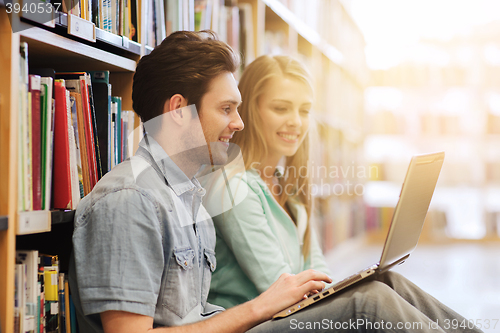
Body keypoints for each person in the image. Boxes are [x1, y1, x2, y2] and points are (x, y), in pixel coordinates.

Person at [69, 31, 481, 333]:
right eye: (227, 108)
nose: (239, 123)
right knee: (368, 304)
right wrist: (258, 308)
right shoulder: (130, 200)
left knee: (384, 282)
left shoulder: (184, 192)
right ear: (179, 111)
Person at [208, 54, 483, 333]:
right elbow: (278, 287)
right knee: (370, 301)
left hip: (288, 315)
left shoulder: (288, 185)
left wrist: (338, 289)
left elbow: (317, 270)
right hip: (254, 324)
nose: (295, 122)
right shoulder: (235, 187)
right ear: (250, 111)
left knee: (389, 282)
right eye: (281, 108)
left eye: (304, 111)